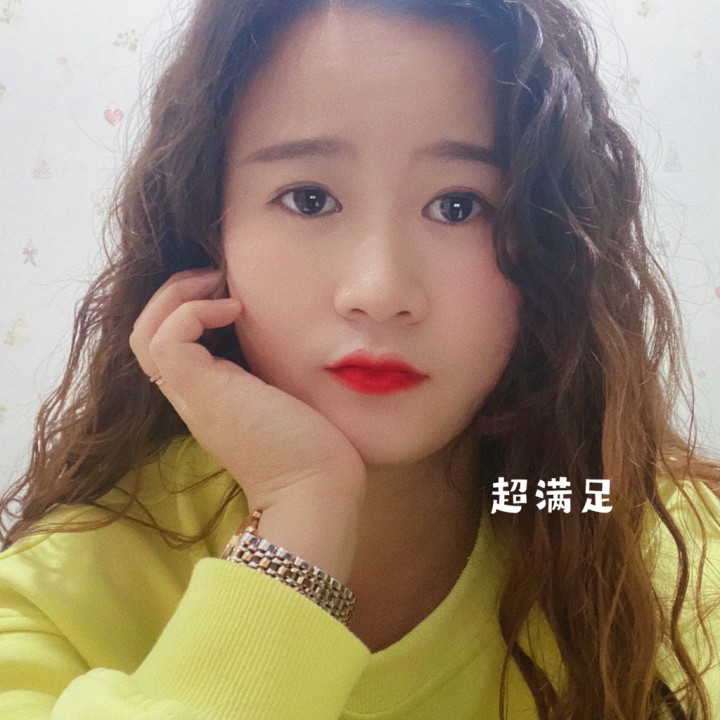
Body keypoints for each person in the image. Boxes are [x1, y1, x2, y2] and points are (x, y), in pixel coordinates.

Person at [0, 0, 718, 717]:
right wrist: (300, 511)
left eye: (459, 206)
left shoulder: (662, 538)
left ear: (553, 246)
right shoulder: (56, 601)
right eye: (309, 199)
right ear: (206, 232)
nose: (379, 293)